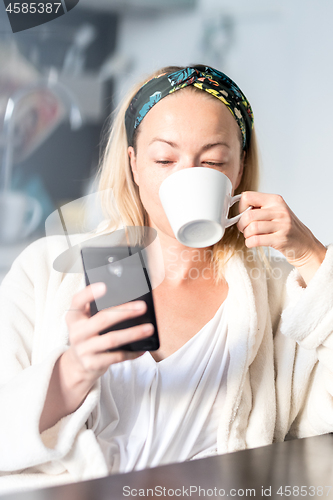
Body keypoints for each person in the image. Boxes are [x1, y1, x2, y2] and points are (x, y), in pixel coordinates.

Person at [1, 64, 333, 493]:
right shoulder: (48, 271)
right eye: (164, 159)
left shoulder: (278, 293)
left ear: (239, 167)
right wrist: (73, 371)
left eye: (212, 160)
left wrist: (312, 256)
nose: (187, 176)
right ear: (135, 165)